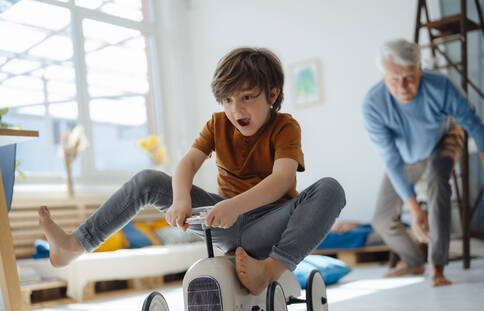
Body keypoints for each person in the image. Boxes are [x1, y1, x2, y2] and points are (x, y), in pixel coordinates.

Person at [39, 47, 346, 296]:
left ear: (273, 94)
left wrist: (234, 206)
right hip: (223, 222)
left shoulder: (285, 127)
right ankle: (73, 245)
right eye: (228, 100)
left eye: (247, 97)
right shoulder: (218, 124)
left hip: (268, 224)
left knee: (330, 189)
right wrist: (180, 198)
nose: (236, 109)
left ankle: (270, 270)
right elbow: (187, 163)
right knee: (148, 180)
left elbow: (280, 181)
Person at [362, 39, 484, 287]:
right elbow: (390, 159)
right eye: (394, 78)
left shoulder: (440, 86)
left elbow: (476, 127)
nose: (403, 86)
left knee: (437, 180)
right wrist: (413, 207)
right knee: (382, 219)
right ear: (383, 74)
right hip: (406, 156)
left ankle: (438, 266)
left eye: (410, 77)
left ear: (420, 67)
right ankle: (413, 262)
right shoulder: (372, 105)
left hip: (445, 137)